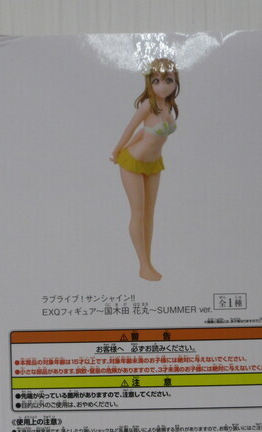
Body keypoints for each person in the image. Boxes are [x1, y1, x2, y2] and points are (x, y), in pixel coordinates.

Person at [110, 58, 179, 281]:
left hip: (153, 164)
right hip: (133, 162)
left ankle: (148, 263)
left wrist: (130, 144)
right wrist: (118, 150)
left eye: (168, 80)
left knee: (150, 214)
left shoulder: (167, 105)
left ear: (175, 81)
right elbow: (130, 128)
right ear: (150, 83)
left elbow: (146, 132)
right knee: (138, 214)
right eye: (156, 81)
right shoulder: (148, 105)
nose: (163, 86)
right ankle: (143, 265)